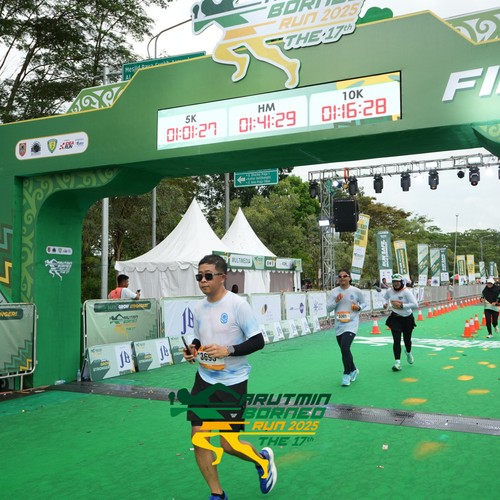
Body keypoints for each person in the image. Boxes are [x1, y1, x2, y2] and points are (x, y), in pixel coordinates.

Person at [183, 254, 276, 500]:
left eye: (208, 275)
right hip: (204, 380)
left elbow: (258, 341)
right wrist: (193, 349)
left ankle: (262, 461)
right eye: (199, 276)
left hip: (232, 383)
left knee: (229, 444)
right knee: (199, 437)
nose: (203, 280)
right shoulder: (198, 308)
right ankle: (217, 494)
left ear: (223, 277)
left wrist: (229, 350)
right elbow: (199, 338)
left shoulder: (237, 305)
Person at [326, 269, 366, 387]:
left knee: (345, 347)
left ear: (349, 278)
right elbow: (328, 308)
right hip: (339, 324)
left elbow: (364, 303)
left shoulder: (356, 291)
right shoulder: (334, 292)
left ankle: (346, 374)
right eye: (340, 276)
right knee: (345, 350)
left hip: (352, 323)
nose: (342, 278)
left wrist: (358, 307)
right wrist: (336, 301)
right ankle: (353, 369)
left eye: (345, 276)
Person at [383, 273, 419, 372]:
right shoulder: (389, 291)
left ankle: (408, 352)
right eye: (394, 282)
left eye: (398, 282)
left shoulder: (406, 292)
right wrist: (385, 304)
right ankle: (397, 362)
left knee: (407, 340)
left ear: (401, 282)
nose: (396, 284)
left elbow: (415, 304)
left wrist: (402, 305)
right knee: (396, 340)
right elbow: (385, 298)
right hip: (395, 318)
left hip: (407, 318)